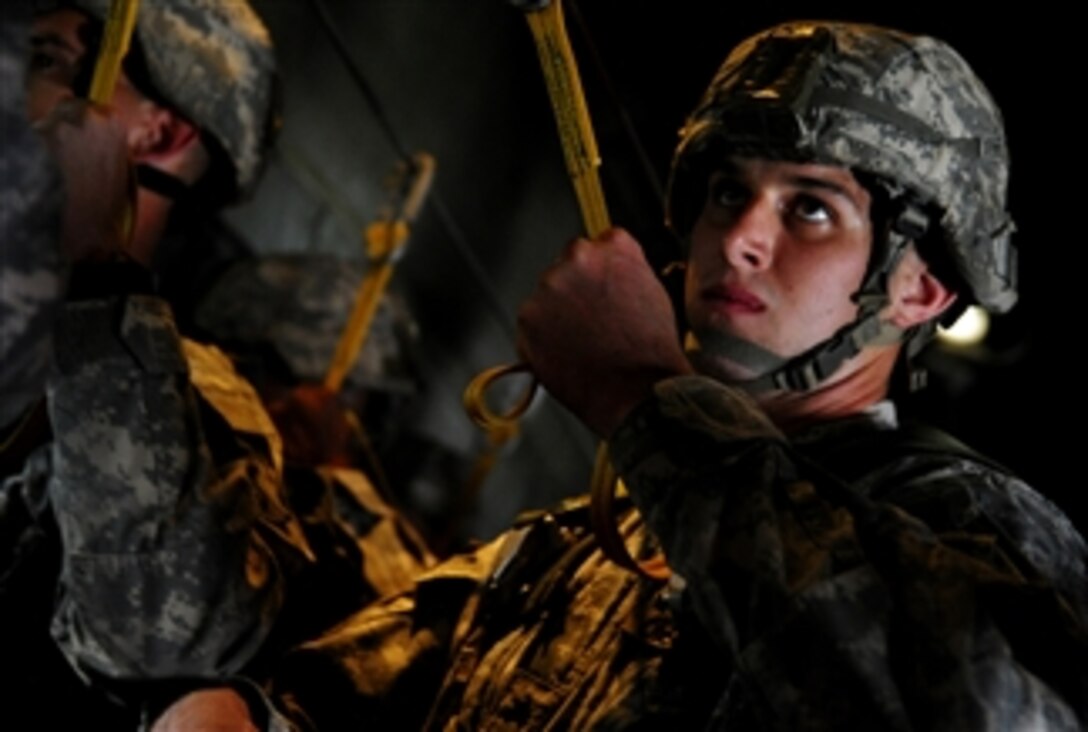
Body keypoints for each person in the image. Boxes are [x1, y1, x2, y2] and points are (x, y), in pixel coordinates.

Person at [154, 20, 1087, 731]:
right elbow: (308, 694)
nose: (741, 239)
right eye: (729, 192)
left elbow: (986, 708)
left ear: (921, 288)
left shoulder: (966, 524)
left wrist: (642, 395)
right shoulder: (567, 553)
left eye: (810, 208)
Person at [1, 0, 430, 725]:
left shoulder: (181, 407)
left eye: (47, 60)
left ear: (155, 132)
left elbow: (160, 630)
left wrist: (103, 276)